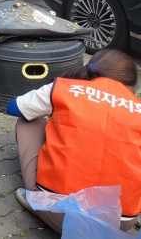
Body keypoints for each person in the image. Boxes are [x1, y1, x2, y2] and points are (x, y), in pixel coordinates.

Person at [7, 49, 141, 234]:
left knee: (28, 120)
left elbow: (14, 107)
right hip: (120, 222)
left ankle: (34, 197)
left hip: (59, 212)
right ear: (130, 85)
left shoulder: (63, 88)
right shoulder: (138, 107)